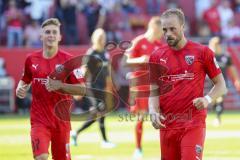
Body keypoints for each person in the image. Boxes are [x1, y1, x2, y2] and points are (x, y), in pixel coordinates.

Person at [148, 8, 227, 160]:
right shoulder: (156, 56)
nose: (168, 34)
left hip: (193, 123)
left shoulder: (202, 52)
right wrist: (152, 110)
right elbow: (154, 91)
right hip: (167, 126)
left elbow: (221, 85)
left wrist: (207, 99)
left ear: (183, 27)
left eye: (173, 29)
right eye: (165, 30)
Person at [16, 18, 85, 160]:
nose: (51, 35)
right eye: (47, 32)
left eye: (54, 32)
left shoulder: (70, 61)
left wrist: (60, 86)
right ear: (41, 36)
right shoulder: (31, 59)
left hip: (61, 122)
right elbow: (25, 80)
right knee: (41, 157)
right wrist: (20, 88)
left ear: (60, 37)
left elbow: (82, 90)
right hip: (39, 121)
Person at [125, 16, 163, 159]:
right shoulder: (138, 42)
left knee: (162, 115)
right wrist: (140, 59)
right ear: (153, 28)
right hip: (140, 84)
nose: (162, 34)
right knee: (140, 117)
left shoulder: (160, 45)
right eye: (161, 30)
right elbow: (125, 60)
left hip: (155, 86)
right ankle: (138, 148)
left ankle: (166, 147)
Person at [71, 28, 116, 148]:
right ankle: (104, 141)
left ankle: (76, 133)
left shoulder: (105, 54)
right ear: (94, 39)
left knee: (99, 113)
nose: (101, 40)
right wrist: (79, 86)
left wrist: (109, 86)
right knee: (99, 111)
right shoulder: (91, 53)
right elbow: (82, 71)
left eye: (103, 38)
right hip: (92, 87)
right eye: (99, 38)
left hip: (102, 87)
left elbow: (107, 72)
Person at [209, 36, 240, 126]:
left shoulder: (225, 57)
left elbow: (232, 68)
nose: (214, 47)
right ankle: (216, 112)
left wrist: (237, 80)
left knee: (220, 99)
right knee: (214, 102)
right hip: (212, 83)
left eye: (216, 45)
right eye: (213, 45)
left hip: (222, 83)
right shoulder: (210, 57)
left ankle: (218, 119)